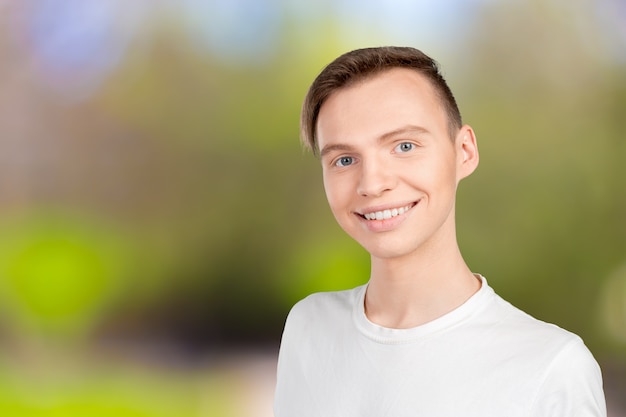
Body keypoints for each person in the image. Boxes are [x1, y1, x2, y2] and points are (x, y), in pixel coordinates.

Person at [274, 46, 606, 416]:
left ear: (464, 151)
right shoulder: (309, 327)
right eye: (345, 159)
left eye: (404, 146)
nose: (372, 183)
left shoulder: (553, 367)